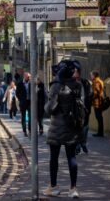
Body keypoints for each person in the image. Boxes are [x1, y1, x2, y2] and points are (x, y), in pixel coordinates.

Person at [43, 59, 84, 198]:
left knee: (53, 158)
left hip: (56, 129)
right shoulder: (77, 85)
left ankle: (53, 187)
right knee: (71, 157)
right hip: (72, 127)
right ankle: (73, 189)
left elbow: (50, 109)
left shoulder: (56, 86)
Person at [76, 70, 93, 154]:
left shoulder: (85, 82)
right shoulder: (71, 83)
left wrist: (88, 107)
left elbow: (90, 94)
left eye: (76, 72)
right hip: (76, 109)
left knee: (85, 127)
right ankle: (78, 145)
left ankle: (82, 143)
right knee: (78, 128)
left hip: (85, 109)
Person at [91, 71, 105, 137]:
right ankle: (100, 132)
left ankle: (100, 133)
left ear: (94, 75)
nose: (91, 76)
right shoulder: (100, 81)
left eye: (91, 75)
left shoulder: (96, 82)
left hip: (97, 102)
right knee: (99, 117)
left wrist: (91, 98)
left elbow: (96, 93)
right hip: (99, 102)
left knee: (99, 117)